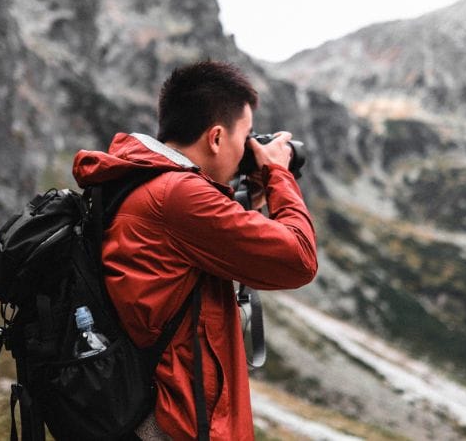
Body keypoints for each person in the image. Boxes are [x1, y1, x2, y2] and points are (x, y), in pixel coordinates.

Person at [72, 60, 318, 440]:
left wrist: (248, 198)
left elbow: (202, 242)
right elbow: (299, 258)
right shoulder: (178, 195)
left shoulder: (144, 183)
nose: (248, 149)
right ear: (217, 138)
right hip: (179, 428)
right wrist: (278, 174)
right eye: (246, 135)